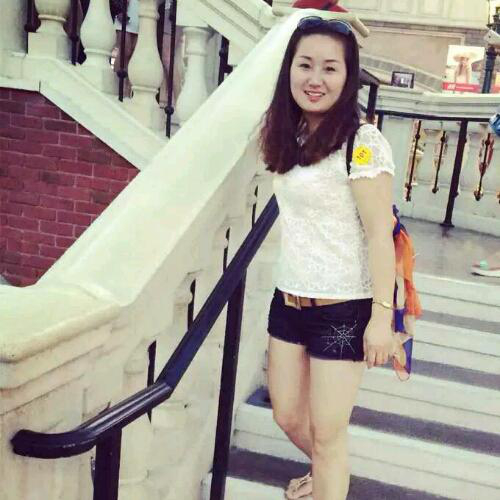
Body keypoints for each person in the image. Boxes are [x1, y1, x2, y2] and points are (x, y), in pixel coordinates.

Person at [259, 16, 396, 500]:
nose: (315, 79)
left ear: (347, 76)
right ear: (289, 70)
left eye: (330, 68)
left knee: (327, 435)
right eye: (305, 65)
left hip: (344, 307)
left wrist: (382, 317)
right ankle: (327, 475)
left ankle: (327, 481)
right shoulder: (290, 134)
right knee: (286, 415)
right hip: (288, 300)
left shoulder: (362, 143)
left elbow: (380, 234)